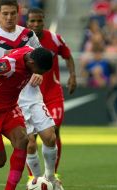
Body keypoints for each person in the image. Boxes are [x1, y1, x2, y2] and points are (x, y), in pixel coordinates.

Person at [0, 0, 63, 189]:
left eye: (12, 14)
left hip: (30, 93)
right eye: (5, 14)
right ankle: (33, 179)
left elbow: (39, 58)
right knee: (24, 145)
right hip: (1, 99)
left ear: (18, 14)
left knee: (49, 137)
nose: (9, 18)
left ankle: (50, 178)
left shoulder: (28, 35)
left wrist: (37, 74)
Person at [0, 45, 53, 190]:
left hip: (9, 108)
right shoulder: (8, 65)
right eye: (40, 71)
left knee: (23, 140)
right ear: (32, 63)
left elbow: (14, 51)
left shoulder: (30, 51)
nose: (40, 74)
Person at [25, 7, 77, 180]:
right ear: (27, 22)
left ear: (43, 21)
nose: (36, 24)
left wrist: (72, 76)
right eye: (32, 21)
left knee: (52, 132)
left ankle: (51, 174)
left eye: (39, 20)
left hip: (52, 94)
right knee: (29, 138)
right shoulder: (21, 41)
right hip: (30, 95)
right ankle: (34, 178)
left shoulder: (55, 39)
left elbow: (68, 56)